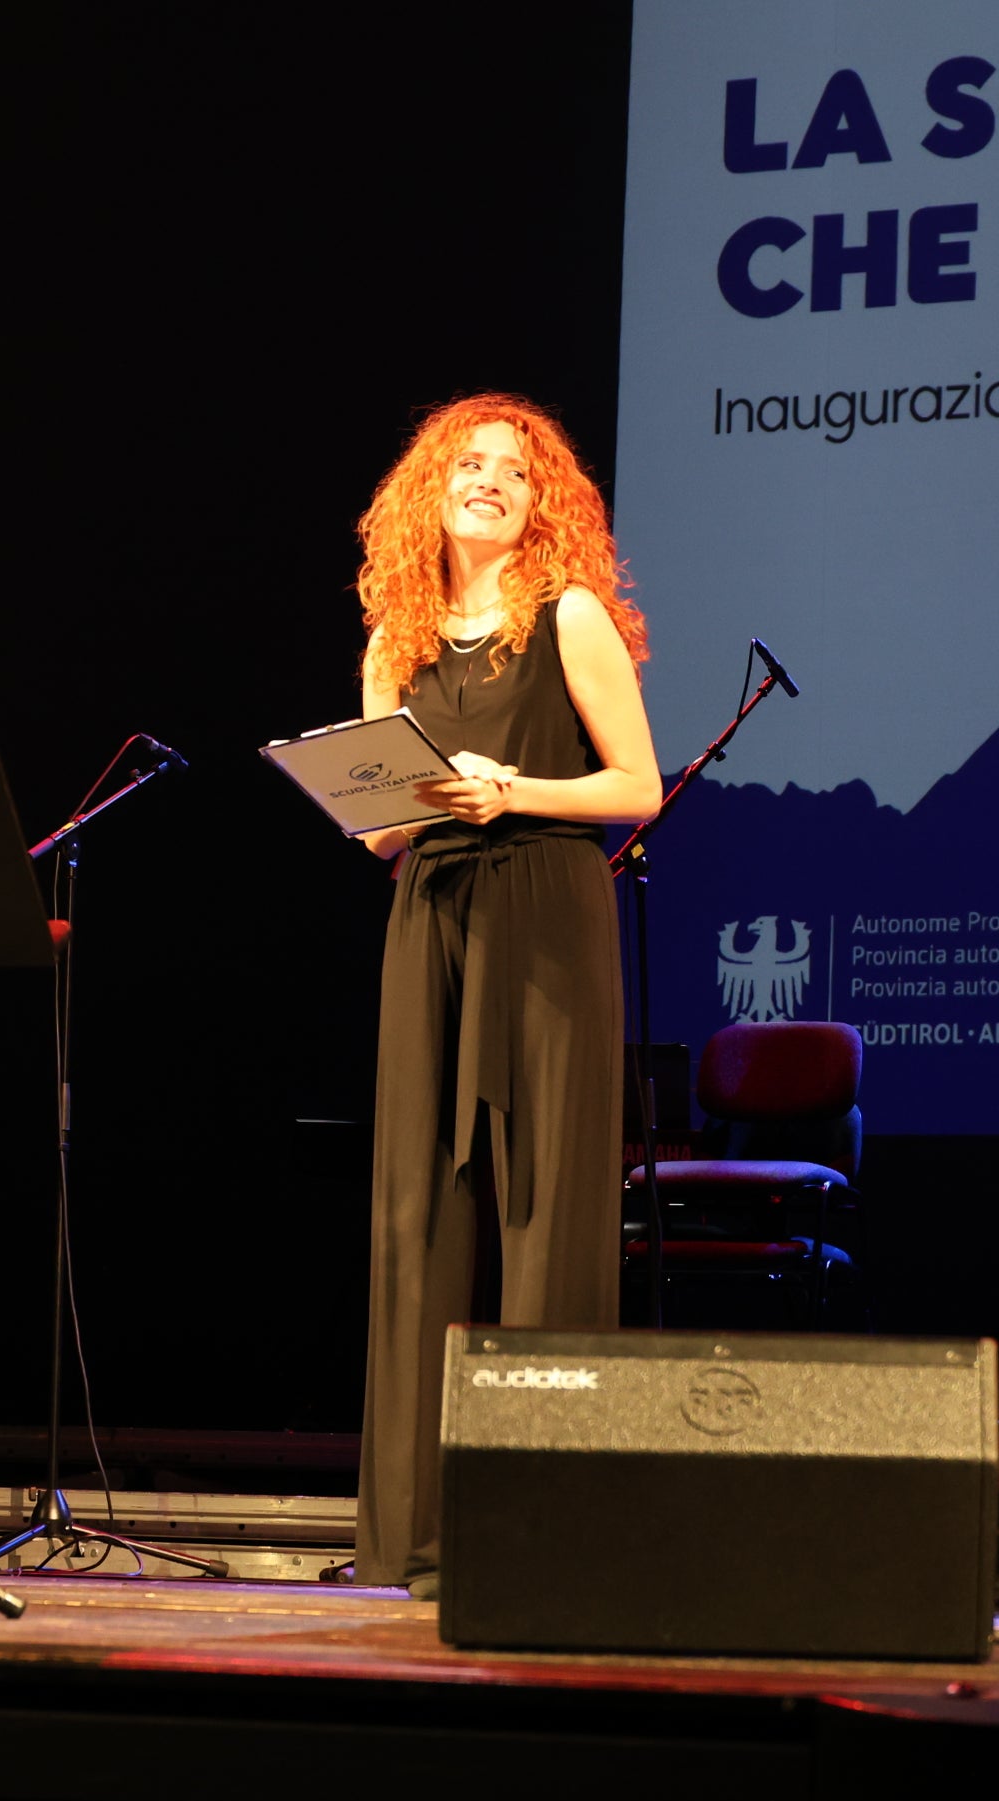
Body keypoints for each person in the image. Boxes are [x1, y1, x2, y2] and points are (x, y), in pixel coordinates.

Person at [351, 394, 663, 1597]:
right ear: (428, 486)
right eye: (469, 463)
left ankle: (543, 1531)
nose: (490, 481)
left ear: (544, 506)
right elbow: (383, 833)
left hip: (543, 913)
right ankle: (418, 1539)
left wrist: (513, 789)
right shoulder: (396, 638)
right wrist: (375, 803)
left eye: (515, 472)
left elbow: (634, 784)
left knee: (545, 1211)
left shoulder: (568, 615)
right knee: (420, 1212)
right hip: (428, 913)